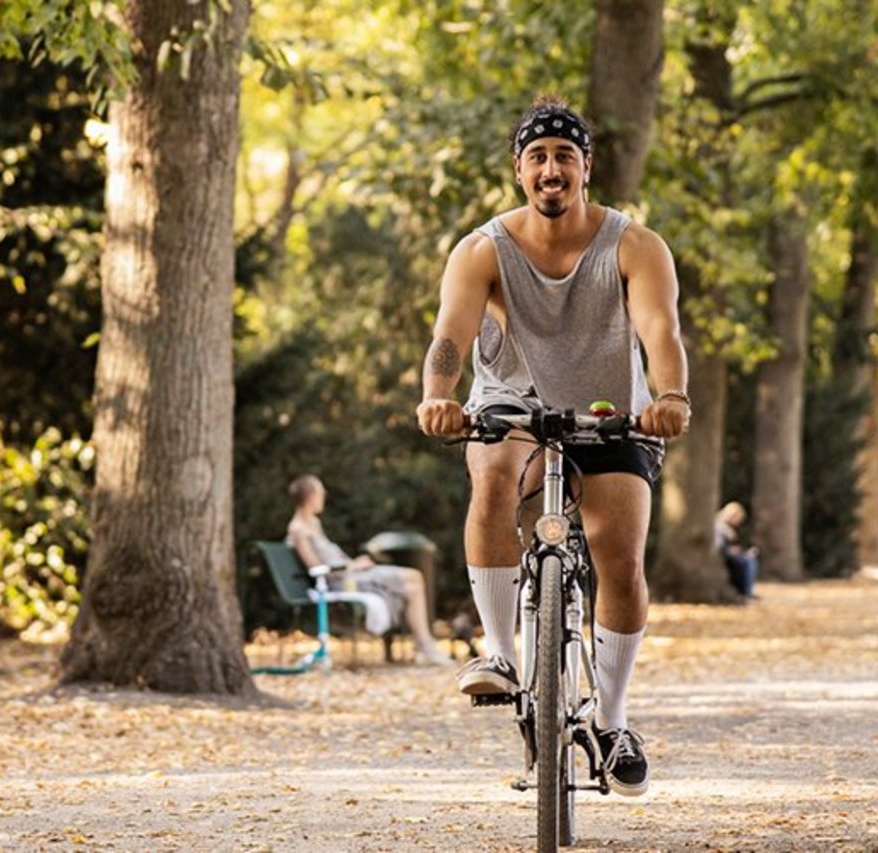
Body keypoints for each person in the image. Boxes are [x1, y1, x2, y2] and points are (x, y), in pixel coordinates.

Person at [414, 94, 693, 798]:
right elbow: (450, 335)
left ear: (586, 168)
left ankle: (613, 717)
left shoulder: (634, 245)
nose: (551, 168)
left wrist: (670, 398)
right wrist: (438, 396)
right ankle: (503, 655)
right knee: (493, 478)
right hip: (509, 407)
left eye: (564, 155)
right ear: (518, 171)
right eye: (537, 156)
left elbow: (661, 331)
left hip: (611, 415)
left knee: (621, 559)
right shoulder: (483, 250)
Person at [284, 475, 454, 667]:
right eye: (321, 491)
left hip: (351, 572)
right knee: (413, 579)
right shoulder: (298, 529)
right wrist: (352, 566)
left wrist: (353, 564)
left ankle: (425, 646)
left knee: (414, 581)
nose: (323, 495)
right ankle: (426, 647)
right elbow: (316, 568)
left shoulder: (313, 523)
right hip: (342, 580)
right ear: (310, 496)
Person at [716, 501, 757, 600]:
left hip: (729, 554)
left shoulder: (728, 529)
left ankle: (747, 590)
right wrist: (730, 551)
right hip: (725, 555)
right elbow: (720, 545)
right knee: (747, 561)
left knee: (748, 559)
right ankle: (746, 591)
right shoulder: (721, 527)